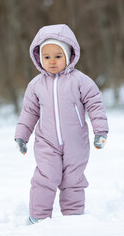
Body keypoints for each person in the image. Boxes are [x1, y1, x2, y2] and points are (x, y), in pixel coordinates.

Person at [14, 24, 109, 224]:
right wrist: (22, 135)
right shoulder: (36, 85)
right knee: (45, 177)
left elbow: (95, 105)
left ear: (69, 55)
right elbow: (29, 112)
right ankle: (38, 218)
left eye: (58, 56)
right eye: (46, 57)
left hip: (76, 142)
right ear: (39, 58)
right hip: (46, 142)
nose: (52, 61)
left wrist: (100, 131)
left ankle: (73, 220)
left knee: (73, 181)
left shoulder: (81, 81)